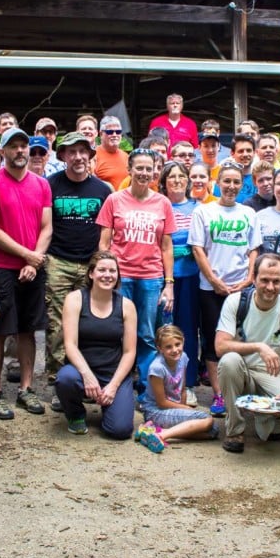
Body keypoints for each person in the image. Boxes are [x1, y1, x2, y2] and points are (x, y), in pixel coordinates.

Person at [0, 126, 52, 418]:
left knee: (27, 330)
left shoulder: (41, 184)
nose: (21, 151)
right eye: (14, 146)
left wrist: (34, 262)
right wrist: (27, 256)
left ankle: (26, 388)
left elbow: (47, 227)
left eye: (25, 147)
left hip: (33, 267)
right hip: (1, 268)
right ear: (3, 150)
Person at [97, 147, 176, 394]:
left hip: (151, 278)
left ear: (155, 171)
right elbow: (104, 242)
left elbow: (166, 245)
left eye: (148, 168)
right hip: (120, 277)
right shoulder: (114, 199)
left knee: (146, 334)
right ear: (130, 170)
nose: (143, 173)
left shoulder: (162, 203)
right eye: (138, 168)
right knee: (116, 331)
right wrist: (106, 274)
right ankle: (116, 384)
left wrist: (169, 283)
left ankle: (145, 388)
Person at [215, 254, 280, 453]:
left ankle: (265, 419)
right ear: (254, 278)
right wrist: (258, 346)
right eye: (264, 280)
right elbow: (220, 346)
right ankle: (235, 430)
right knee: (228, 361)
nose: (270, 287)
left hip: (276, 374)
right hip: (243, 371)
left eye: (276, 281)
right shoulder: (236, 301)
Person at [44, 132, 112, 402]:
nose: (78, 157)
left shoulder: (103, 190)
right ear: (62, 156)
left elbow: (108, 230)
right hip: (58, 260)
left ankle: (87, 378)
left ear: (90, 155)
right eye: (72, 152)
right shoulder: (50, 185)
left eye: (83, 151)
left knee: (87, 322)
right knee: (57, 324)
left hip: (90, 263)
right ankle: (59, 383)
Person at [189, 163, 261, 417]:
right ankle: (219, 395)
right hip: (210, 288)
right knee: (212, 341)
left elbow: (254, 249)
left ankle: (240, 390)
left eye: (236, 182)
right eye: (226, 181)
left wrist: (250, 278)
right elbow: (198, 249)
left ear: (242, 185)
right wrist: (214, 280)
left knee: (241, 338)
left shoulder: (249, 213)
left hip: (241, 287)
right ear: (217, 182)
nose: (231, 186)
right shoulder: (203, 211)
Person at [53, 251, 137, 438]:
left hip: (113, 372)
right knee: (65, 379)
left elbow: (130, 352)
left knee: (120, 431)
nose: (107, 275)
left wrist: (114, 385)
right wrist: (87, 375)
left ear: (118, 275)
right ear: (91, 273)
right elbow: (70, 345)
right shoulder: (75, 299)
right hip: (81, 370)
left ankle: (113, 406)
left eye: (112, 271)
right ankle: (75, 414)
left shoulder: (127, 306)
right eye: (102, 270)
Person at [136, 325, 218, 453]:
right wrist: (187, 410)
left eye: (177, 344)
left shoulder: (183, 357)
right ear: (160, 348)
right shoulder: (157, 368)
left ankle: (153, 431)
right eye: (168, 347)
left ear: (183, 341)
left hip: (173, 409)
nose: (174, 350)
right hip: (155, 411)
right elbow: (161, 403)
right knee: (206, 420)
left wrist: (185, 413)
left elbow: (182, 389)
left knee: (213, 431)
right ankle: (161, 435)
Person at [158, 161, 201, 395]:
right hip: (164, 277)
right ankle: (164, 380)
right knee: (165, 328)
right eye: (171, 176)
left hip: (191, 277)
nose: (176, 180)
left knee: (188, 329)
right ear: (163, 182)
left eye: (181, 176)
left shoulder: (198, 208)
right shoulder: (158, 206)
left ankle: (188, 382)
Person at [92, 115, 128, 190]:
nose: (115, 135)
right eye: (110, 132)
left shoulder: (127, 156)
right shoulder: (93, 156)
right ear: (101, 134)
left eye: (118, 132)